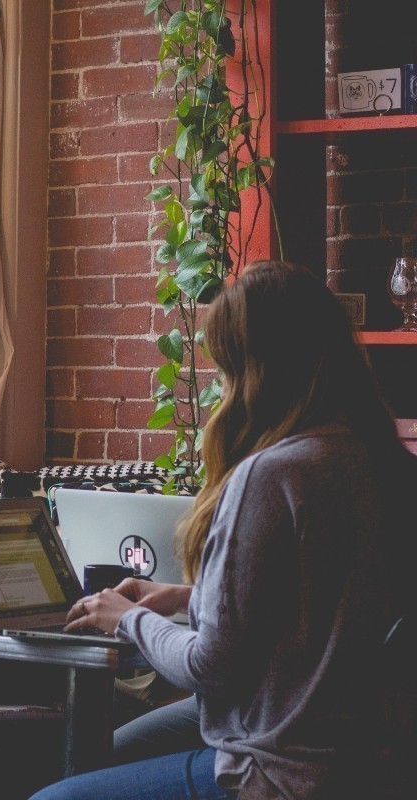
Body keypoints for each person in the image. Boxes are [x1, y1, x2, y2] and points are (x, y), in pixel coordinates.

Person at [29, 260, 416, 800]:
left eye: (225, 365)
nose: (219, 382)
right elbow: (319, 606)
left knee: (53, 796)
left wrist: (128, 619)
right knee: (103, 754)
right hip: (368, 756)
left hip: (283, 766)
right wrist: (186, 597)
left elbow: (209, 667)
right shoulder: (383, 462)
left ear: (255, 369)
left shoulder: (272, 475)